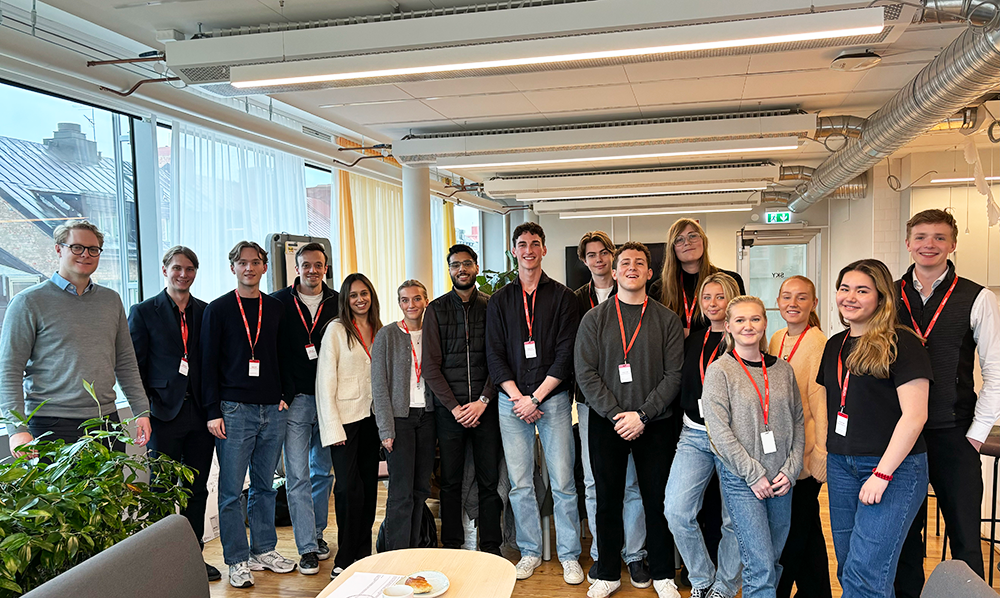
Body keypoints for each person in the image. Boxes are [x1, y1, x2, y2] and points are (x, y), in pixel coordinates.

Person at [894, 209, 1000, 597]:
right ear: (908, 244)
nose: (929, 245)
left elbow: (996, 371)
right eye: (921, 237)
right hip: (900, 436)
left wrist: (975, 435)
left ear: (952, 244)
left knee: (965, 538)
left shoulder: (978, 296)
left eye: (939, 237)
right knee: (905, 537)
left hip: (954, 433)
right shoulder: (888, 294)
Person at [575, 241, 684, 598]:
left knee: (658, 500)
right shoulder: (595, 318)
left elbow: (674, 374)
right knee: (607, 499)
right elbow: (586, 373)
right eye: (626, 262)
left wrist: (642, 414)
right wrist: (616, 413)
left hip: (656, 423)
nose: (632, 267)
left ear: (650, 273)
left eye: (640, 262)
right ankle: (607, 572)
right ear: (615, 270)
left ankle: (664, 573)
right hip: (607, 423)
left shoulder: (667, 319)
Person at [818, 259, 931, 598]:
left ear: (882, 298)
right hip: (842, 466)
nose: (849, 297)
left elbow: (915, 416)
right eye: (844, 288)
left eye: (862, 290)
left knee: (866, 572)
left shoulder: (903, 342)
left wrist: (881, 474)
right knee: (850, 566)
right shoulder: (834, 344)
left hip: (892, 469)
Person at [486, 222, 584, 584]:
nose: (529, 250)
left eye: (535, 244)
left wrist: (537, 397)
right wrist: (518, 398)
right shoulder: (499, 301)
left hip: (553, 401)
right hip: (511, 403)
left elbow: (565, 354)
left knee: (562, 482)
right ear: (514, 250)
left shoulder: (563, 297)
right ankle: (529, 550)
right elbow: (494, 355)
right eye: (522, 244)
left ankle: (570, 555)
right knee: (520, 484)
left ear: (544, 250)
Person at [1, 220, 150, 456]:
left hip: (105, 423)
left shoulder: (111, 300)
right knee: (56, 495)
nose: (85, 255)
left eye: (93, 249)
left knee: (109, 493)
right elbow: (9, 370)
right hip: (51, 425)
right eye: (77, 247)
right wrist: (17, 429)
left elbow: (125, 362)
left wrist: (141, 411)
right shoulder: (28, 302)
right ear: (59, 249)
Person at [202, 240, 296, 588]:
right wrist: (213, 411)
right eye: (242, 263)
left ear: (264, 267)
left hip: (273, 408)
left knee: (265, 486)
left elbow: (284, 354)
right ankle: (237, 560)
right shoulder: (219, 309)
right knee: (230, 491)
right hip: (235, 410)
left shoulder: (275, 308)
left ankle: (263, 550)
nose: (249, 268)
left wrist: (284, 394)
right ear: (233, 268)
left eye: (255, 262)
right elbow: (207, 364)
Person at [702, 295, 804, 598]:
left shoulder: (783, 370)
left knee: (771, 560)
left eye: (755, 319)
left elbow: (798, 421)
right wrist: (753, 474)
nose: (749, 325)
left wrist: (792, 468)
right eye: (741, 320)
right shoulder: (720, 371)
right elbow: (718, 432)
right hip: (743, 480)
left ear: (765, 323)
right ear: (729, 327)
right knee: (759, 565)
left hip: (781, 480)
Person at [128, 246, 219, 582]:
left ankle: (193, 557)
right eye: (177, 268)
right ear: (165, 269)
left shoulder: (206, 311)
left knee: (196, 490)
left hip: (200, 415)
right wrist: (144, 410)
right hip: (163, 414)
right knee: (163, 489)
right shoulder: (143, 312)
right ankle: (162, 563)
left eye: (190, 269)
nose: (184, 274)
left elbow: (211, 363)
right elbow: (133, 367)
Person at [573, 230, 650, 588]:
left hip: (638, 408)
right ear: (584, 260)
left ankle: (634, 554)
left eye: (605, 253)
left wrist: (633, 413)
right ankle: (605, 556)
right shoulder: (577, 301)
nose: (599, 259)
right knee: (596, 484)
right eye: (592, 254)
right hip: (597, 407)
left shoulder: (647, 301)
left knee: (632, 484)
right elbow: (580, 362)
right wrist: (613, 410)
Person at [665, 272, 743, 598]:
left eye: (720, 297)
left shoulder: (743, 339)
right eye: (707, 298)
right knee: (677, 510)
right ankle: (702, 578)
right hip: (694, 434)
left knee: (731, 520)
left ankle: (725, 586)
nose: (712, 304)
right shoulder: (693, 340)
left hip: (734, 438)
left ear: (733, 299)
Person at [422, 244, 502, 555]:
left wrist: (483, 398)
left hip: (487, 408)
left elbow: (499, 358)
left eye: (467, 263)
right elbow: (431, 365)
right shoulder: (437, 309)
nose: (462, 269)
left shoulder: (492, 306)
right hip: (450, 412)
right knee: (451, 483)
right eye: (456, 265)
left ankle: (491, 545)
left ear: (477, 267)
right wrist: (455, 408)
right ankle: (452, 544)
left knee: (489, 481)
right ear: (450, 270)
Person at [272, 242, 339, 575]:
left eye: (318, 265)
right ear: (296, 268)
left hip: (329, 400)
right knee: (296, 475)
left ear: (325, 268)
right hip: (295, 399)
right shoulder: (278, 303)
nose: (312, 270)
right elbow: (268, 348)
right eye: (306, 265)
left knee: (321, 473)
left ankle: (317, 533)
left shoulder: (337, 301)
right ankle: (307, 548)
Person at [316, 273, 382, 578]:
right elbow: (324, 382)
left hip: (371, 420)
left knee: (369, 489)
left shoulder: (379, 328)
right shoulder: (336, 330)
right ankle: (345, 555)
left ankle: (362, 553)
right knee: (346, 489)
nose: (359, 299)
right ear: (346, 299)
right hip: (344, 422)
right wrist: (332, 429)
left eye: (364, 293)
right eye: (353, 295)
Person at [769, 275, 831, 598]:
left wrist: (820, 453)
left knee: (792, 533)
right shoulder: (777, 337)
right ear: (778, 302)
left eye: (802, 298)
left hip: (805, 457)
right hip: (781, 453)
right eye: (786, 297)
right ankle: (817, 592)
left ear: (814, 304)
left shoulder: (818, 343)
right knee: (808, 532)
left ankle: (776, 592)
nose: (793, 304)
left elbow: (821, 404)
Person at [372, 280, 435, 550]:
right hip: (400, 420)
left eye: (417, 299)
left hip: (428, 417)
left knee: (421, 489)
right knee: (400, 492)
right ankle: (396, 554)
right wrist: (385, 430)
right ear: (399, 303)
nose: (411, 304)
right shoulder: (387, 335)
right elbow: (379, 386)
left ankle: (414, 549)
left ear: (425, 301)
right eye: (405, 300)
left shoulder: (433, 332)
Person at [650, 218, 745, 337]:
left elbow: (741, 322)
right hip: (676, 354)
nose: (687, 243)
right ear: (672, 249)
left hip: (720, 352)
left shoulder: (730, 281)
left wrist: (689, 334)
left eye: (693, 236)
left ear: (703, 241)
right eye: (679, 239)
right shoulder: (659, 288)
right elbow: (656, 331)